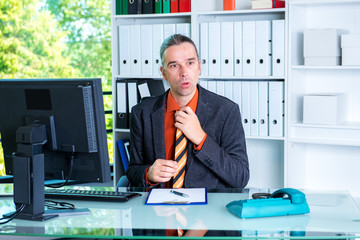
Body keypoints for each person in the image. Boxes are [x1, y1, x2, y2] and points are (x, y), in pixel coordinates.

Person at [126, 34, 249, 189]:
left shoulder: (226, 111)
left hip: (207, 209)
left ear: (199, 66)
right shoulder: (142, 112)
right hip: (158, 209)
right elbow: (132, 171)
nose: (184, 72)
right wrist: (148, 173)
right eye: (174, 66)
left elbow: (240, 177)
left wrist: (201, 138)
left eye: (190, 63)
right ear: (163, 73)